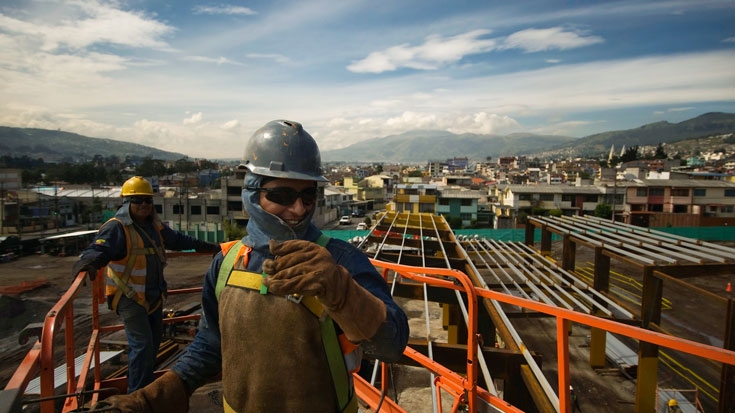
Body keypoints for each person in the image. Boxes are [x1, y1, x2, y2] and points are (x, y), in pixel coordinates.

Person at [96, 120, 410, 412]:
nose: (298, 208)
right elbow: (212, 342)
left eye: (308, 195)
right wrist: (163, 391)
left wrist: (344, 293)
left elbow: (392, 344)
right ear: (252, 193)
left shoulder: (338, 260)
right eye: (282, 194)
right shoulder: (227, 262)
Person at [72, 176, 221, 393]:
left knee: (152, 346)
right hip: (129, 297)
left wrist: (214, 248)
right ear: (127, 203)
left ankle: (143, 390)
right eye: (138, 200)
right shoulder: (116, 228)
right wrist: (89, 262)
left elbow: (181, 241)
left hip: (153, 296)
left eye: (148, 201)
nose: (144, 205)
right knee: (141, 346)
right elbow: (99, 249)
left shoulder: (154, 227)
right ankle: (138, 395)